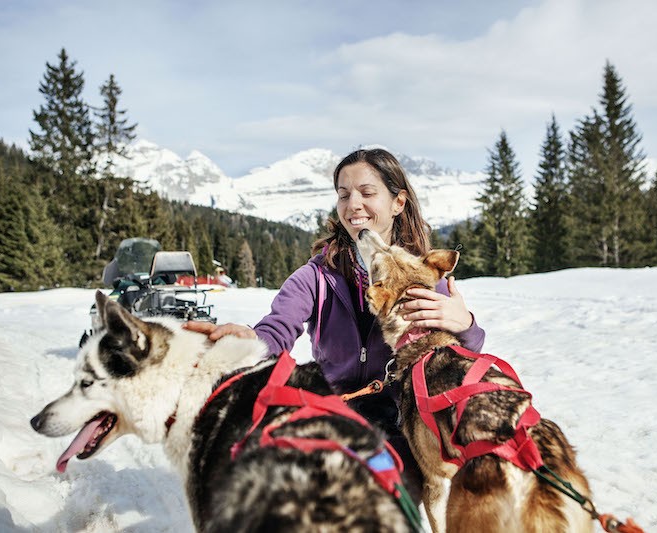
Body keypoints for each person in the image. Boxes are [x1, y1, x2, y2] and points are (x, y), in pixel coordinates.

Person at [185, 147, 485, 500]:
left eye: (367, 192)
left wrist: (464, 324)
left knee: (383, 492)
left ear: (398, 203)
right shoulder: (316, 276)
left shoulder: (417, 276)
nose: (353, 204)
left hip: (397, 417)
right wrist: (248, 339)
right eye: (344, 195)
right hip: (330, 405)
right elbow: (278, 328)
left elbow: (455, 356)